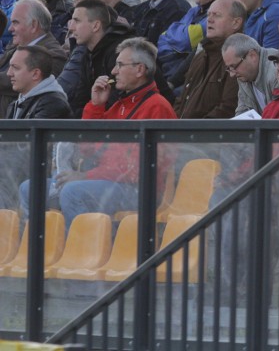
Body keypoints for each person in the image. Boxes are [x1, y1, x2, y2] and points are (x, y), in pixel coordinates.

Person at [19, 37, 177, 227]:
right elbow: (88, 148)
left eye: (119, 65)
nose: (113, 71)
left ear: (140, 69)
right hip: (108, 182)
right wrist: (96, 106)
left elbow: (136, 169)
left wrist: (85, 176)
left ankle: (81, 252)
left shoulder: (157, 107)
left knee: (73, 192)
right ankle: (39, 252)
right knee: (29, 188)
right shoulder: (120, 105)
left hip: (139, 190)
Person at [0, 45, 71, 208]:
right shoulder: (16, 103)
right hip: (15, 174)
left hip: (36, 176)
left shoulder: (53, 103)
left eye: (15, 68)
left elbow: (28, 150)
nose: (9, 73)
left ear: (35, 74)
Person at [58, 0, 134, 117]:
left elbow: (117, 103)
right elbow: (80, 100)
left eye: (77, 21)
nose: (71, 27)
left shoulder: (120, 52)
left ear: (96, 26)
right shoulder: (87, 54)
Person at [174, 0, 246, 119]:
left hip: (209, 135)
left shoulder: (241, 58)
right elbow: (181, 100)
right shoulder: (200, 56)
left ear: (236, 23)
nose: (209, 20)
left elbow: (229, 107)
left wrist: (194, 131)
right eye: (208, 15)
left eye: (217, 15)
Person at [157, 0, 222, 84]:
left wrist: (174, 37)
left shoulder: (219, 15)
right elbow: (161, 39)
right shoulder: (195, 10)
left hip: (187, 82)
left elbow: (185, 40)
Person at [0, 0, 67, 115]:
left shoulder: (52, 54)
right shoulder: (16, 45)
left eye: (15, 22)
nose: (10, 29)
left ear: (34, 25)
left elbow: (10, 81)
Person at [221, 33, 278, 116]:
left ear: (252, 56)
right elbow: (243, 112)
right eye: (229, 68)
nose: (232, 74)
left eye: (234, 66)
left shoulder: (276, 72)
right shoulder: (245, 75)